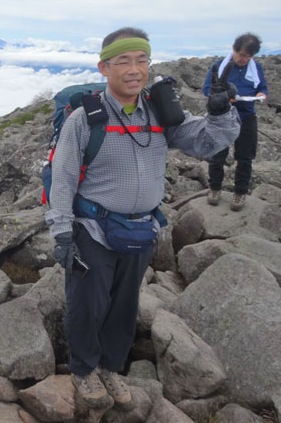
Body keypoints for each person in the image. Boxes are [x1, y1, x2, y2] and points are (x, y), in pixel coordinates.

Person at [45, 28, 240, 409]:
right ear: (104, 67)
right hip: (93, 230)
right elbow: (63, 176)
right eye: (124, 61)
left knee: (124, 305)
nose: (135, 70)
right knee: (88, 304)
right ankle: (84, 370)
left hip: (140, 229)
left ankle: (112, 367)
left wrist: (220, 114)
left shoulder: (159, 113)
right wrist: (62, 233)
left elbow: (204, 141)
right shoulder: (86, 118)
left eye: (142, 60)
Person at [203, 33, 268, 211]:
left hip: (247, 116)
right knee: (217, 154)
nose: (244, 60)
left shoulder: (256, 68)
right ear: (234, 49)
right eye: (242, 55)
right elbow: (207, 89)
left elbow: (262, 86)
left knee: (245, 157)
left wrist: (262, 94)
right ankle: (214, 188)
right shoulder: (218, 67)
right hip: (222, 118)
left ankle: (240, 192)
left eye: (248, 57)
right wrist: (224, 98)